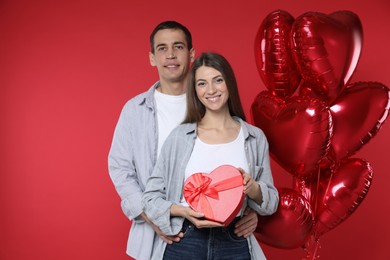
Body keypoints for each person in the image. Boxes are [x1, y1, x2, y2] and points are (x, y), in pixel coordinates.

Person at [108, 21, 259, 260]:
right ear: (152, 57)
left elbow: (241, 163)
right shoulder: (135, 110)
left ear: (191, 54)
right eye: (162, 48)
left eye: (178, 47)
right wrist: (155, 216)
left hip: (224, 234)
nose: (170, 55)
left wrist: (251, 210)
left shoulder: (214, 100)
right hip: (159, 234)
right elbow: (121, 169)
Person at [142, 52, 279, 260]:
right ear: (195, 90)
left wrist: (254, 189)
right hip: (186, 240)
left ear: (229, 83)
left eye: (218, 80)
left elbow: (271, 203)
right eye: (202, 84)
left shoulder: (253, 137)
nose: (211, 90)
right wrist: (182, 211)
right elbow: (150, 198)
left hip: (234, 240)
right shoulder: (180, 137)